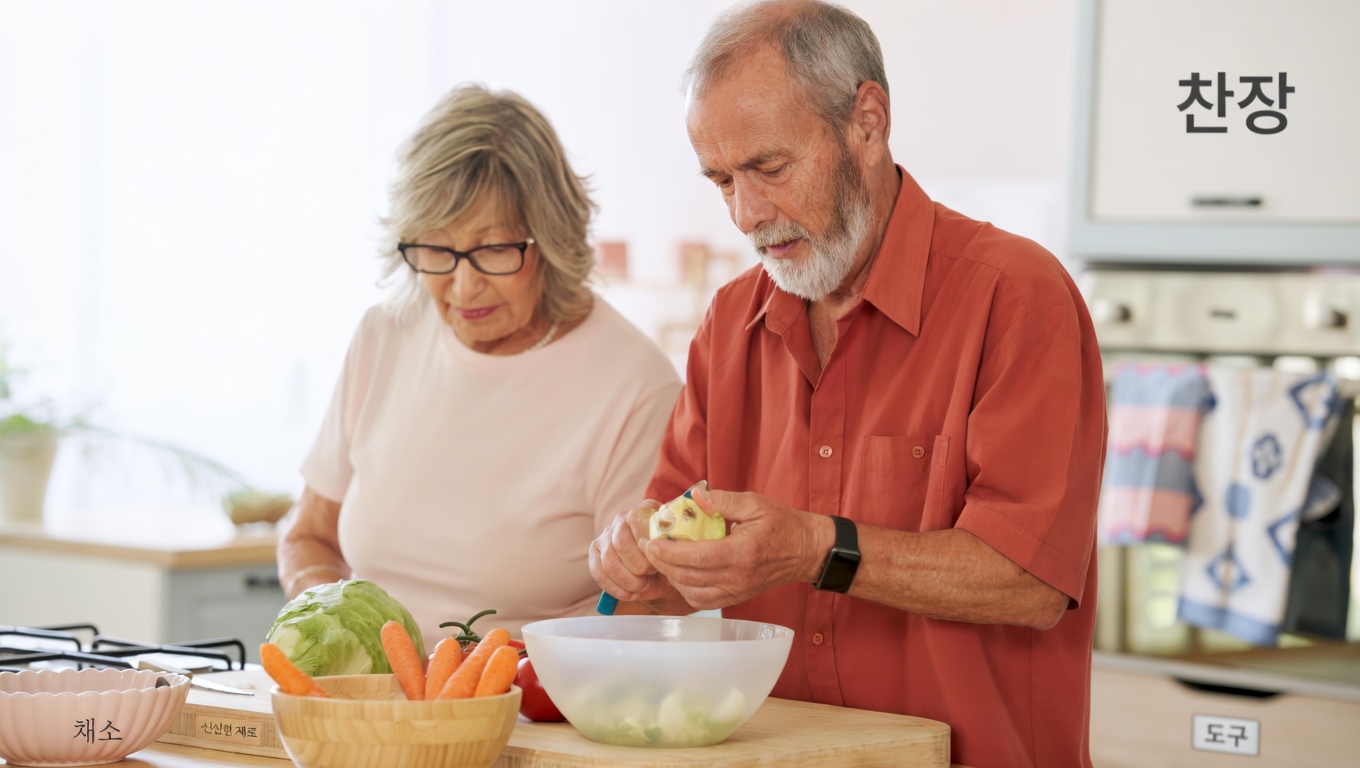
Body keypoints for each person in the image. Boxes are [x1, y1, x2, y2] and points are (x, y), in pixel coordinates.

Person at [587, 2, 1106, 766]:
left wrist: (814, 549)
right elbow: (669, 570)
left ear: (867, 122)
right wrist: (635, 559)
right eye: (721, 180)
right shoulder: (729, 324)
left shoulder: (1016, 295)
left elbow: (1030, 580)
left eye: (769, 168)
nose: (746, 213)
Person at [279, 84, 682, 650]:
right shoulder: (385, 334)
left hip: (525, 707)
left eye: (494, 250)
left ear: (554, 239)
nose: (463, 287)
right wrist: (331, 624)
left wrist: (483, 674)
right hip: (368, 702)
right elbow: (309, 536)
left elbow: (637, 610)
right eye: (436, 250)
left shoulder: (636, 384)